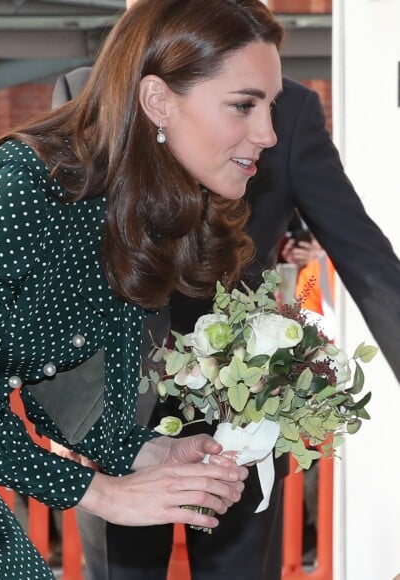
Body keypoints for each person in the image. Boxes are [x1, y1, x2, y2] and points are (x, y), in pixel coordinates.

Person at [0, 0, 284, 577]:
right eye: (244, 105)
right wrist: (103, 493)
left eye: (271, 106)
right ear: (158, 101)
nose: (267, 133)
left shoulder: (134, 211)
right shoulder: (14, 189)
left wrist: (151, 453)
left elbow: (82, 396)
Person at [52, 2, 400, 579]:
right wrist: (68, 405)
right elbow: (65, 274)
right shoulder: (87, 93)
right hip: (116, 406)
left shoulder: (289, 110)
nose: (261, 129)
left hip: (241, 407)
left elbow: (366, 259)